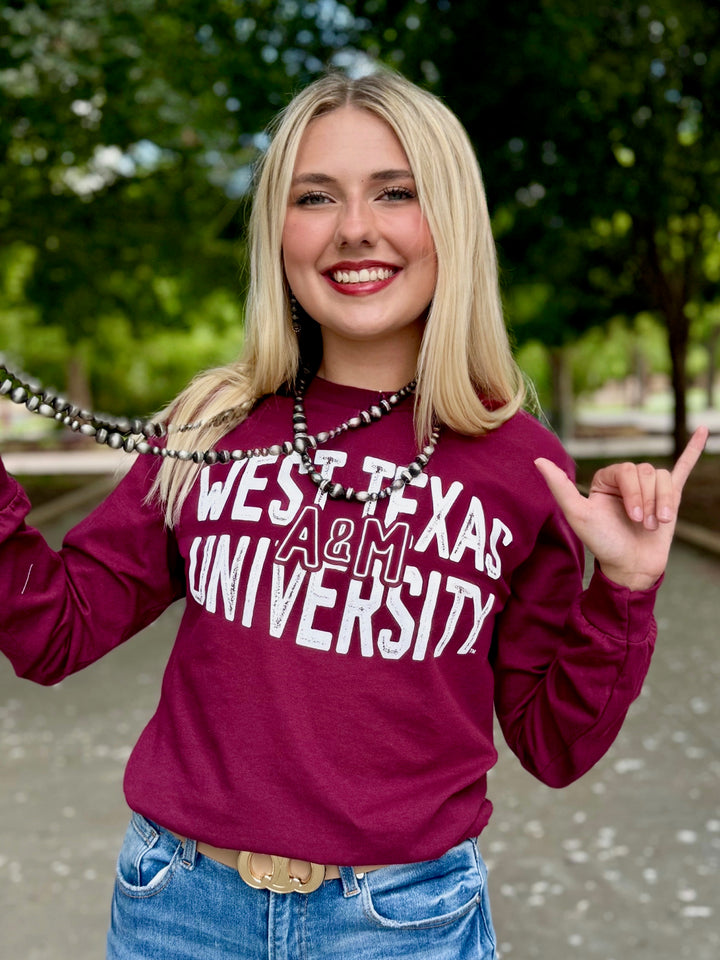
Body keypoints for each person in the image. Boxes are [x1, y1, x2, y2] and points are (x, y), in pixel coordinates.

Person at [0, 69, 707, 960]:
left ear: (449, 218)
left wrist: (625, 589)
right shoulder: (211, 426)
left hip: (403, 925)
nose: (355, 229)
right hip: (178, 913)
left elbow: (555, 743)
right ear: (278, 232)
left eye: (395, 192)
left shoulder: (524, 467)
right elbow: (49, 633)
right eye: (315, 196)